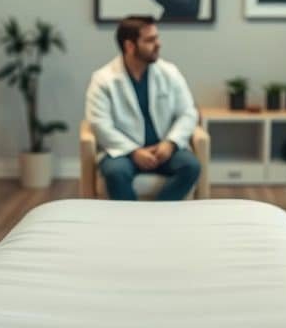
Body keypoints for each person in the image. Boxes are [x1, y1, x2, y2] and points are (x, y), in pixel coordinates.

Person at [85, 15, 201, 200]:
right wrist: (133, 151)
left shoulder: (169, 73)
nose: (158, 44)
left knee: (191, 166)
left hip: (164, 151)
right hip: (124, 152)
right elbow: (100, 124)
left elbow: (188, 113)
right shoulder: (103, 80)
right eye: (150, 40)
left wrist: (170, 143)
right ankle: (132, 222)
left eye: (157, 37)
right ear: (130, 46)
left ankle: (157, 214)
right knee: (115, 172)